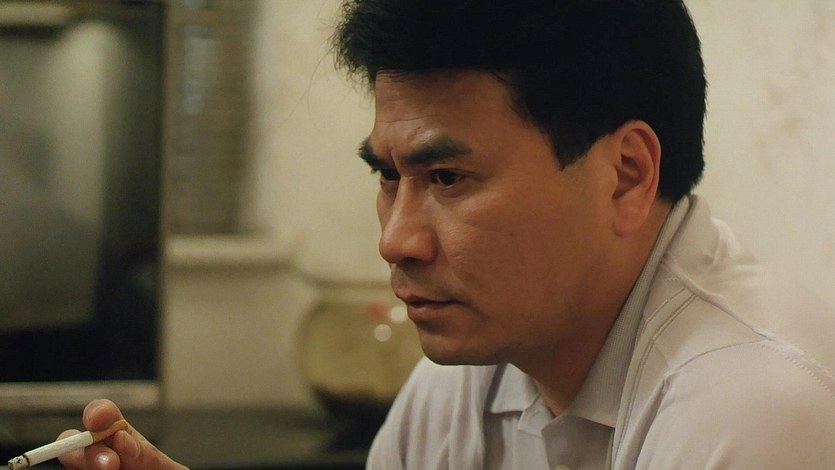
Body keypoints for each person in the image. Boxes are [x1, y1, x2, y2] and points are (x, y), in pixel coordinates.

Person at [59, 0, 835, 469]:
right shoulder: (474, 369)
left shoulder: (753, 410)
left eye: (448, 178)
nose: (396, 241)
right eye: (387, 176)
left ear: (625, 175)